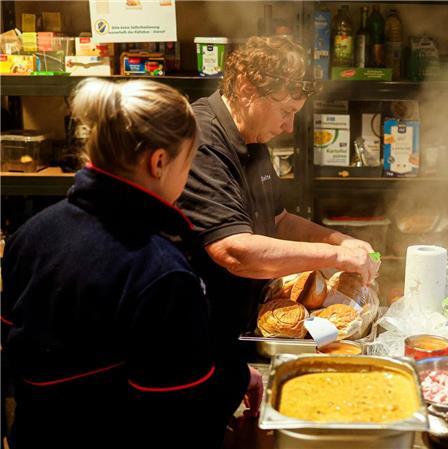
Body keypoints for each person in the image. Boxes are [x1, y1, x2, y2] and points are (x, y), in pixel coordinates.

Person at [0, 79, 253, 449]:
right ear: (159, 162)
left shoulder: (30, 234)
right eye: (188, 163)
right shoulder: (160, 271)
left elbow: (18, 358)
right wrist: (232, 380)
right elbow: (180, 416)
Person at [176, 36, 379, 376]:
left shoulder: (251, 138)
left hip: (246, 323)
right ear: (246, 88)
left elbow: (279, 221)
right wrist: (337, 257)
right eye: (286, 112)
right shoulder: (203, 141)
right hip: (200, 338)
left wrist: (339, 240)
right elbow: (235, 252)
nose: (289, 126)